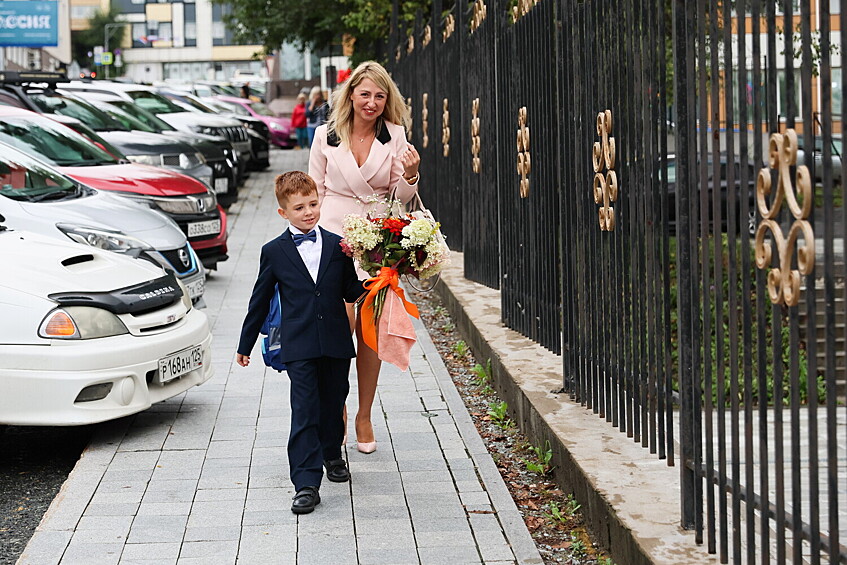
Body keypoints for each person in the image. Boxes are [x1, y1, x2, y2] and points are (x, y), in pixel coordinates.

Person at [236, 171, 365, 515]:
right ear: (284, 213)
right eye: (299, 207)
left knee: (334, 398)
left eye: (312, 204)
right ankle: (306, 482)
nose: (308, 212)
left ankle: (332, 454)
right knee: (305, 408)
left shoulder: (339, 246)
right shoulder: (274, 252)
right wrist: (245, 344)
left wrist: (383, 276)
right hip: (299, 345)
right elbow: (259, 300)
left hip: (336, 340)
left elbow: (351, 290)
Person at [309, 60, 421, 454]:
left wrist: (410, 176)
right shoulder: (326, 135)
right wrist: (310, 241)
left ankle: (364, 414)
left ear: (387, 100)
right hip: (333, 238)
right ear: (350, 95)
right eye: (364, 94)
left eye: (379, 95)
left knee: (369, 333)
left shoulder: (396, 136)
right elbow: (315, 191)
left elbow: (399, 199)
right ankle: (337, 409)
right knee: (339, 332)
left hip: (375, 242)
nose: (371, 102)